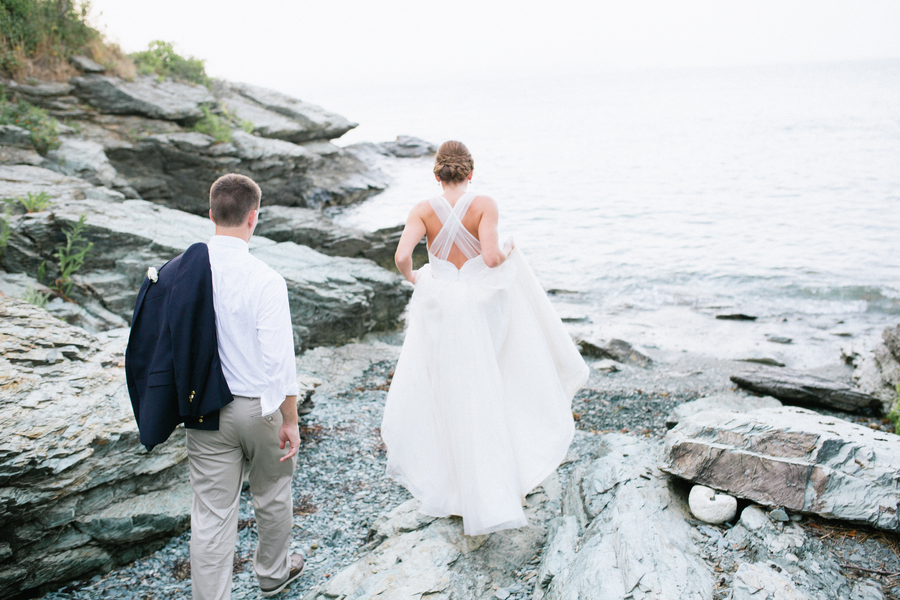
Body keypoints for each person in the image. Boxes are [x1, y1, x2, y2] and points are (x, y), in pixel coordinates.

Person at [381, 141, 590, 536]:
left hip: (441, 308)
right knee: (489, 383)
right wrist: (510, 249)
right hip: (478, 309)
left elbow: (402, 257)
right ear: (470, 173)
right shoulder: (484, 204)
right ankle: (497, 482)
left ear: (437, 174)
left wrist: (417, 279)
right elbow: (491, 259)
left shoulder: (422, 210)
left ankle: (455, 486)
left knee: (448, 389)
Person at [126, 173, 304, 599]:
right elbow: (280, 360)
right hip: (261, 409)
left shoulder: (180, 273)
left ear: (210, 214)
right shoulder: (265, 278)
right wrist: (291, 419)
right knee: (273, 494)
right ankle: (273, 574)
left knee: (211, 515)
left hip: (204, 409)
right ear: (253, 217)